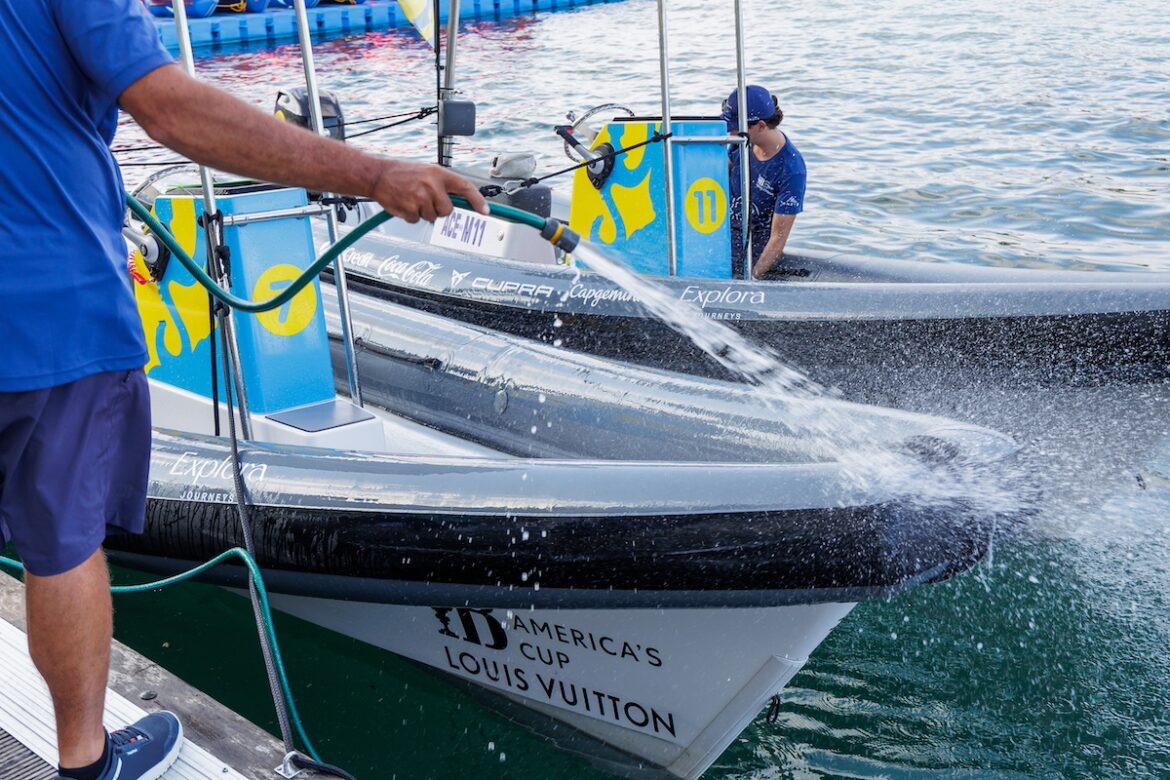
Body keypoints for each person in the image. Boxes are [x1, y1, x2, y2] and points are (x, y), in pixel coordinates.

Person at [0, 1, 487, 779]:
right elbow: (165, 107)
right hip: (50, 312)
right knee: (62, 541)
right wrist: (375, 174)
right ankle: (86, 763)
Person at [722, 84, 807, 279]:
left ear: (760, 126)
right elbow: (716, 177)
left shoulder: (791, 170)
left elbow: (778, 238)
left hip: (750, 256)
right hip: (720, 243)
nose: (731, 134)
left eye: (735, 129)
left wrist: (752, 278)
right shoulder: (740, 145)